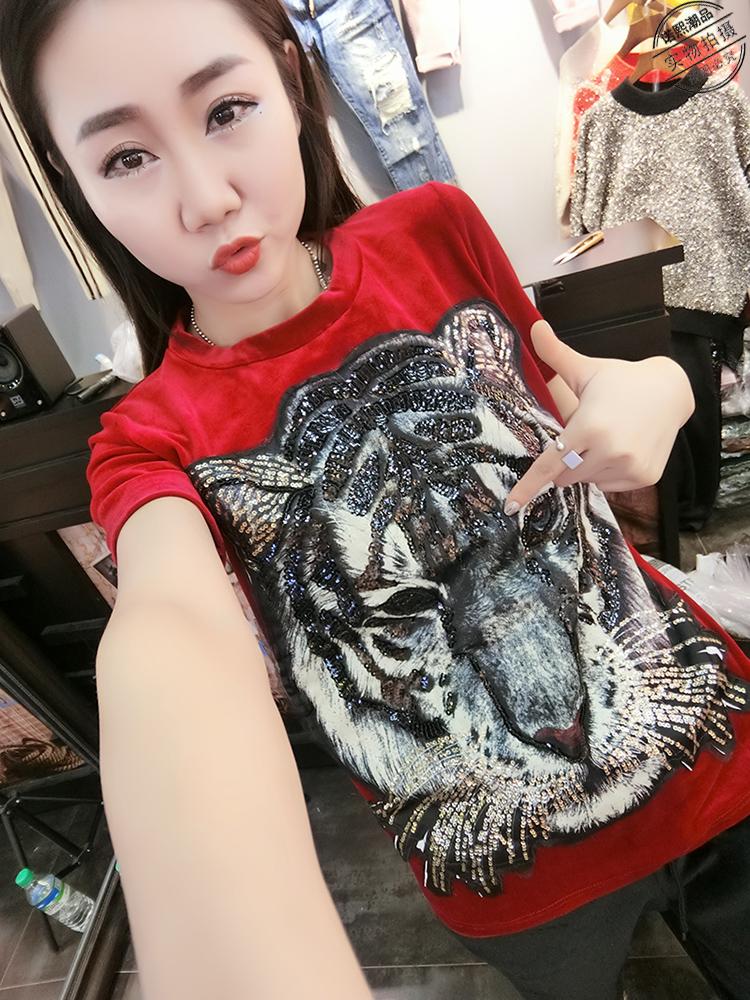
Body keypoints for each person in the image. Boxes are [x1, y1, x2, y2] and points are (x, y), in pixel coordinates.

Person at [2, 1, 748, 998]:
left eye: (224, 109)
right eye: (126, 158)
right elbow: (166, 630)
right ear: (73, 184)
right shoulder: (150, 441)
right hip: (516, 873)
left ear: (290, 78)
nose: (208, 200)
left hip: (711, 735)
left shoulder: (436, 228)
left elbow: (570, 396)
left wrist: (662, 386)